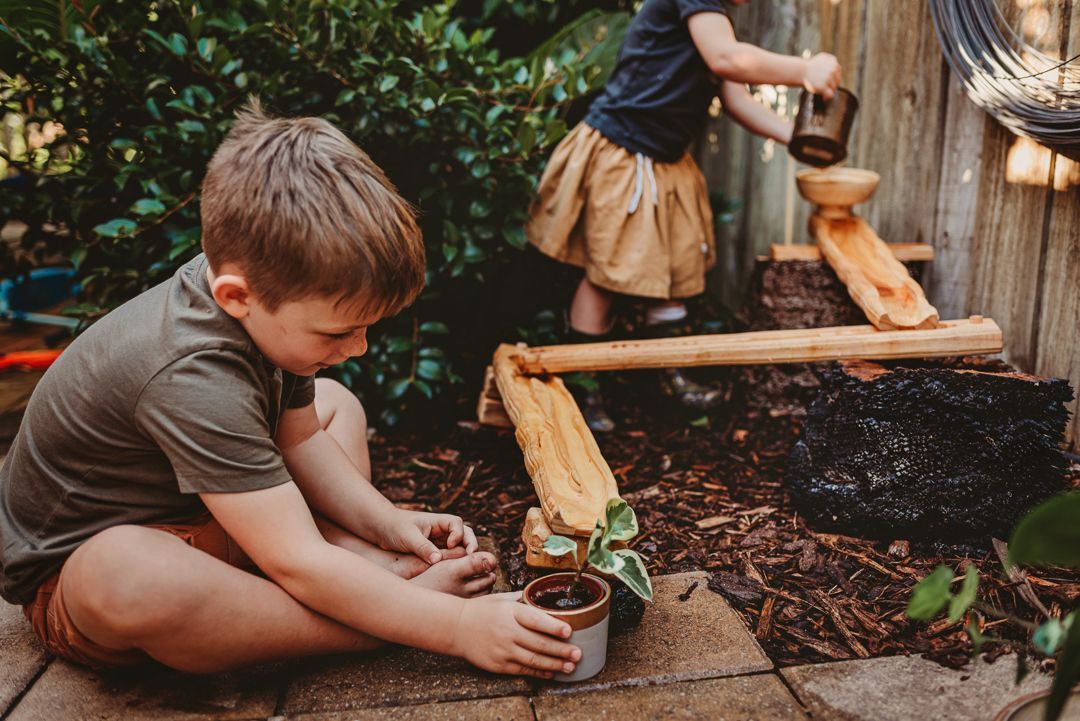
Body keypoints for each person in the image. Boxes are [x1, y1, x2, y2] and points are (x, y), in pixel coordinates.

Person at [0, 102, 580, 678]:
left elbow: (299, 440)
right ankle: (357, 628)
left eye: (366, 328)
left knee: (336, 406)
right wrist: (456, 629)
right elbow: (297, 561)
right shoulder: (191, 370)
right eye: (339, 331)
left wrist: (385, 520)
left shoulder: (266, 299)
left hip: (216, 517)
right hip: (76, 583)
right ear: (236, 296)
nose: (360, 348)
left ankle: (364, 571)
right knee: (125, 574)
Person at [526, 0, 842, 430]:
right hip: (626, 150)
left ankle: (667, 377)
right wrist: (803, 71)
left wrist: (800, 139)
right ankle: (584, 384)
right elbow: (725, 58)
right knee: (605, 276)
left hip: (664, 159)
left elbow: (733, 94)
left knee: (674, 267)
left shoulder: (714, 13)